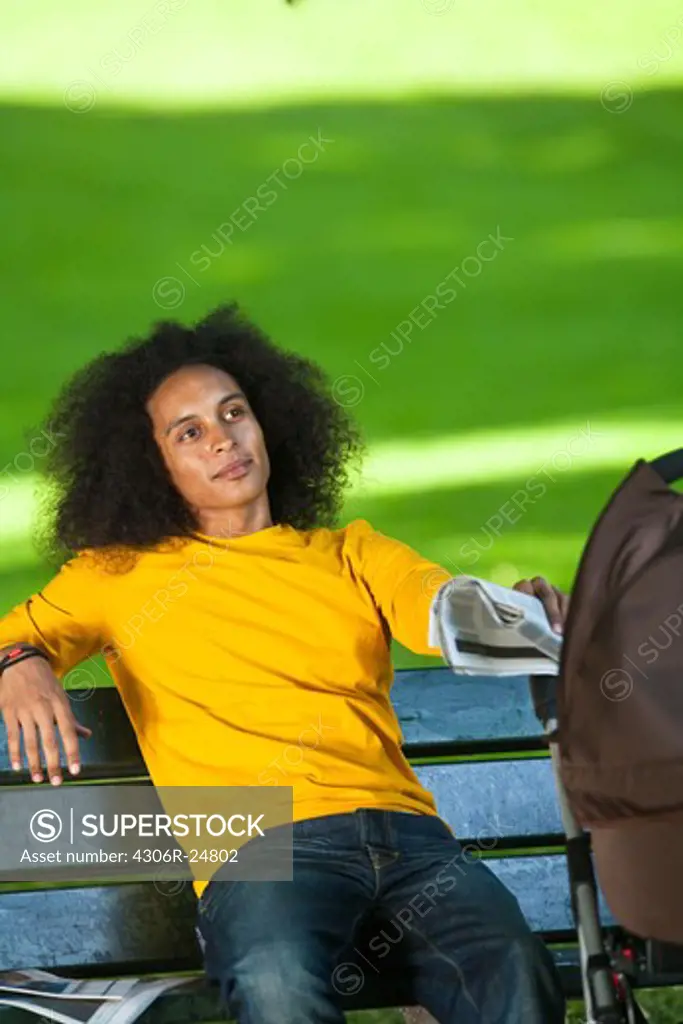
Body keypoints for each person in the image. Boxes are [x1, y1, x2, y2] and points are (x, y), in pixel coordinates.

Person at [0, 304, 568, 1023]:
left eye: (233, 413)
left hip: (408, 838)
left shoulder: (353, 553)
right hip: (258, 845)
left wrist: (523, 615)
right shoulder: (118, 576)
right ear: (153, 464)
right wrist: (19, 660)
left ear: (268, 420)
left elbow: (441, 608)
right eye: (190, 432)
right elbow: (15, 638)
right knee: (275, 982)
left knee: (511, 967)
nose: (223, 441)